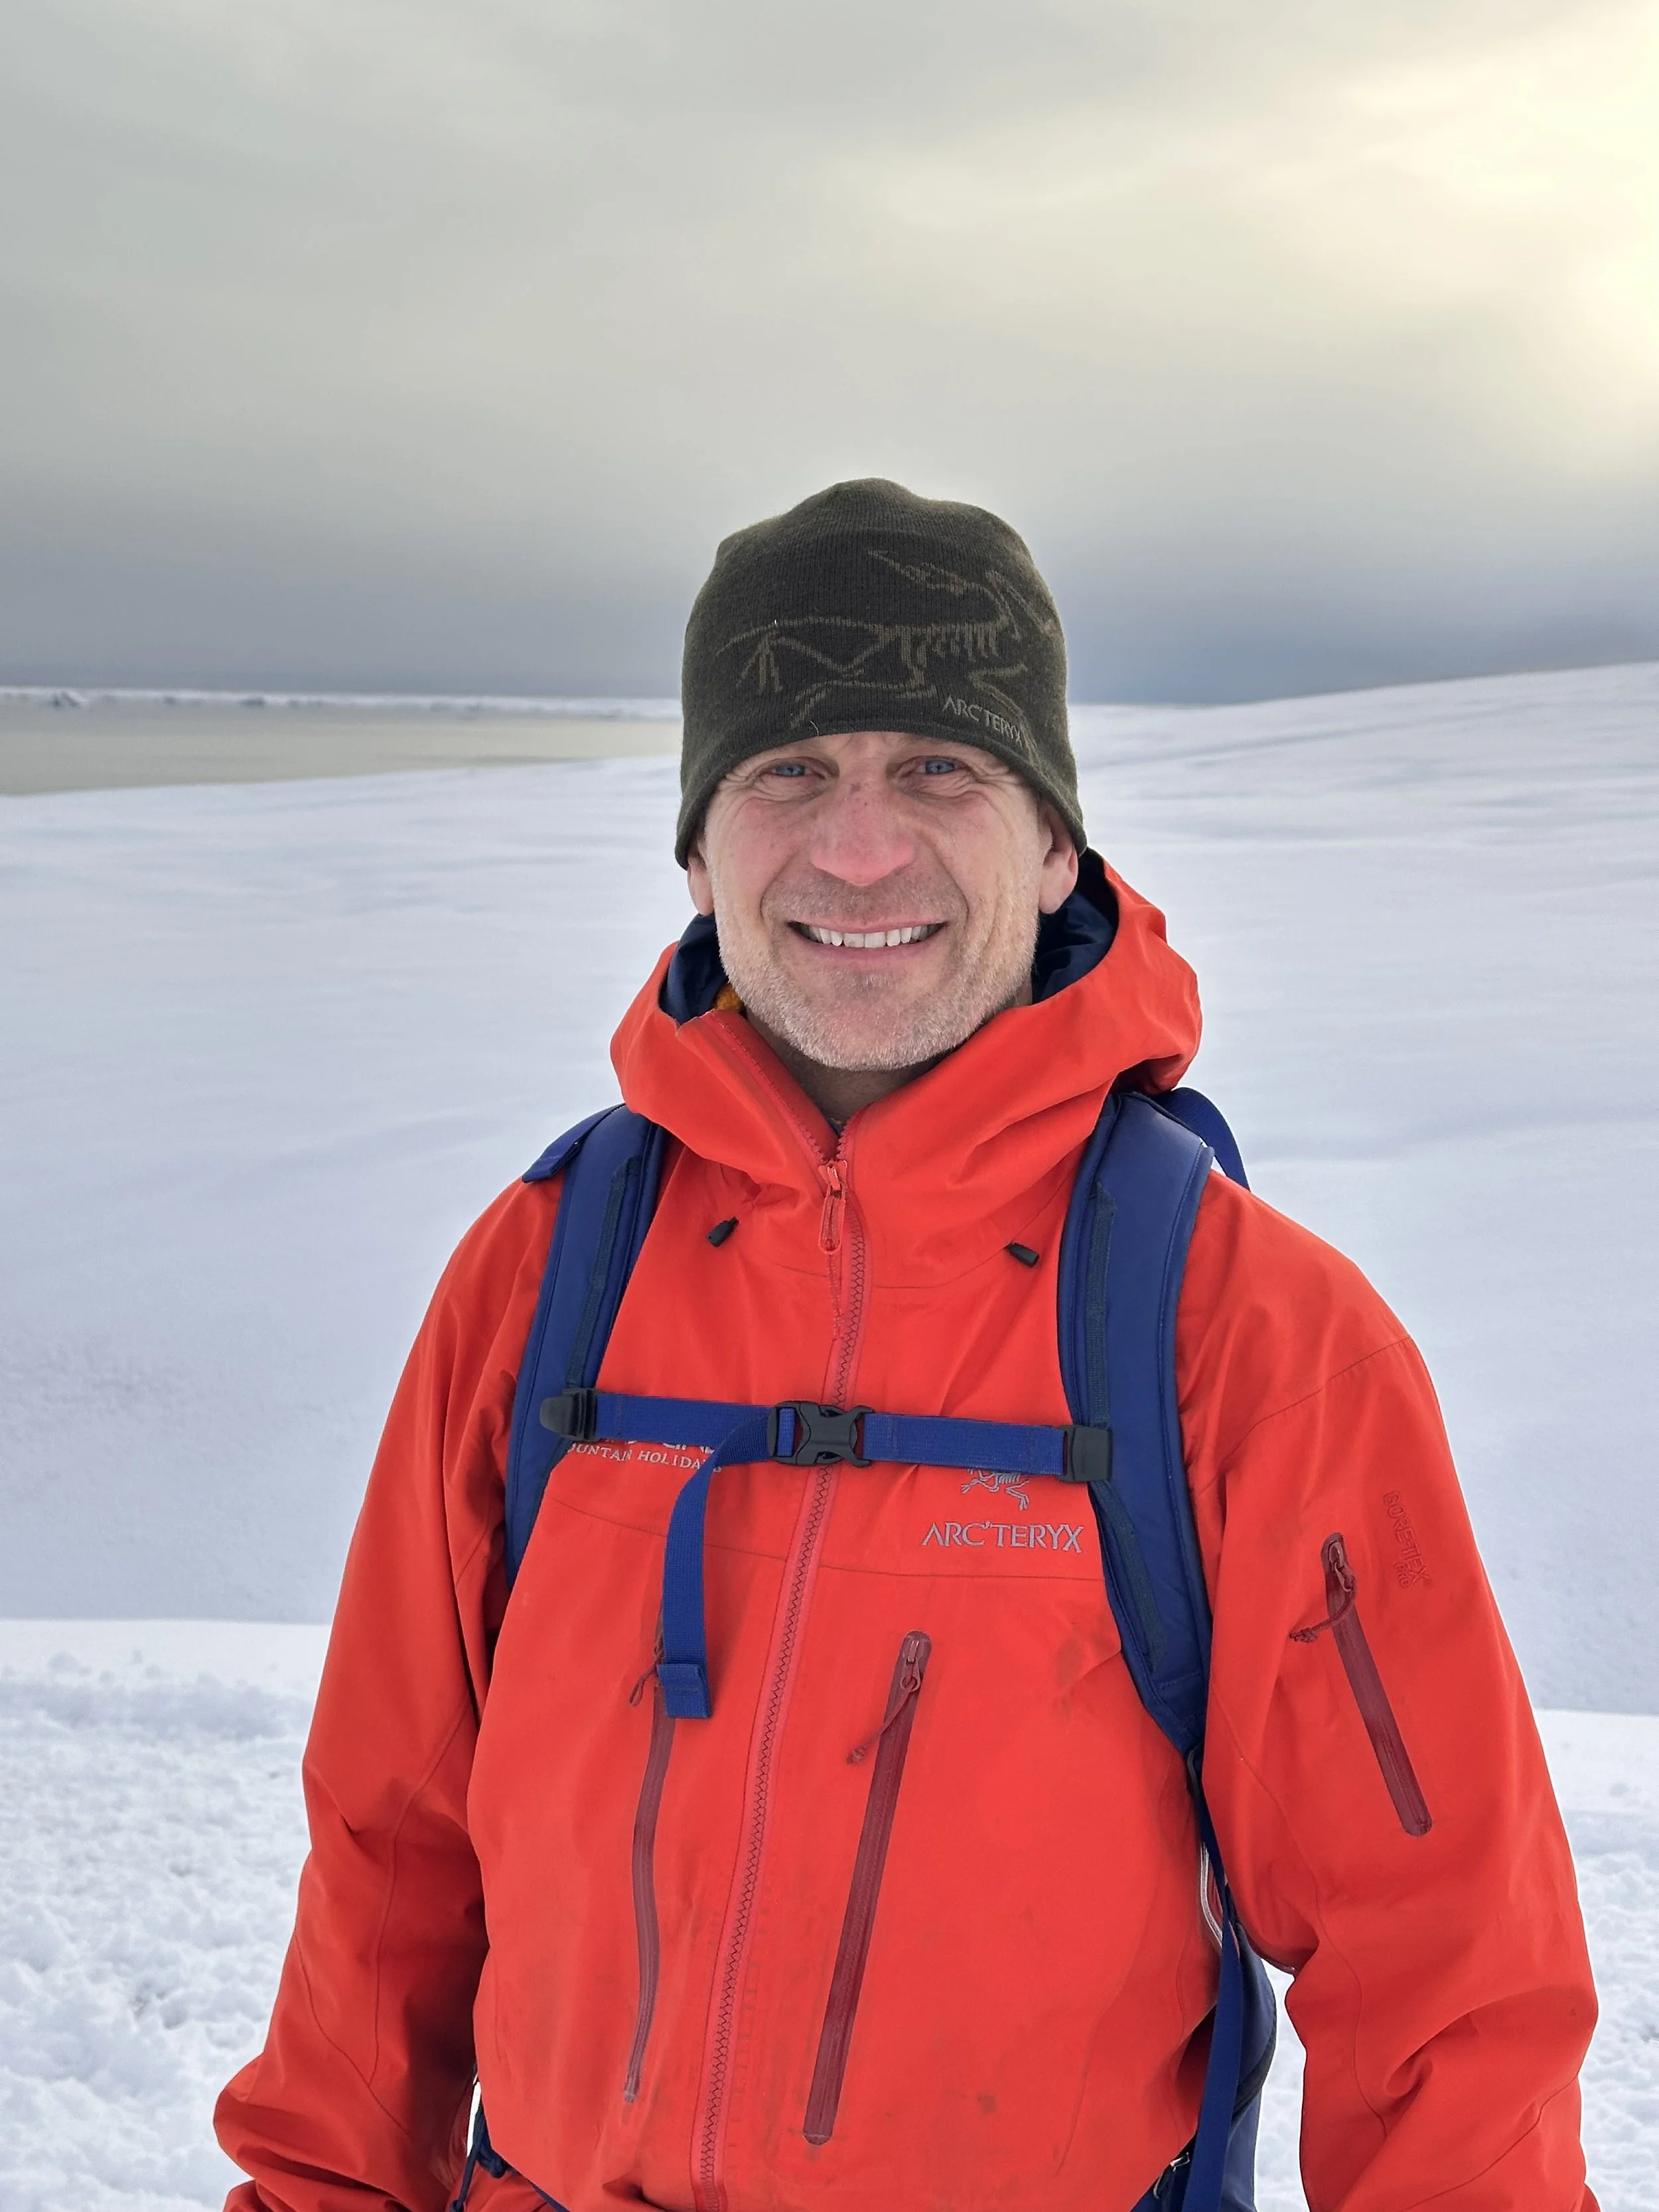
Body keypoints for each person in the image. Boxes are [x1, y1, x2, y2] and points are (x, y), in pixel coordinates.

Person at [217, 479, 1598, 2212]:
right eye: (789, 769)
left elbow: (1444, 1993)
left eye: (937, 769)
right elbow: (385, 1872)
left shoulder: (1247, 1331)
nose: (858, 849)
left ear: (1055, 845)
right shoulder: (543, 1272)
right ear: (699, 846)